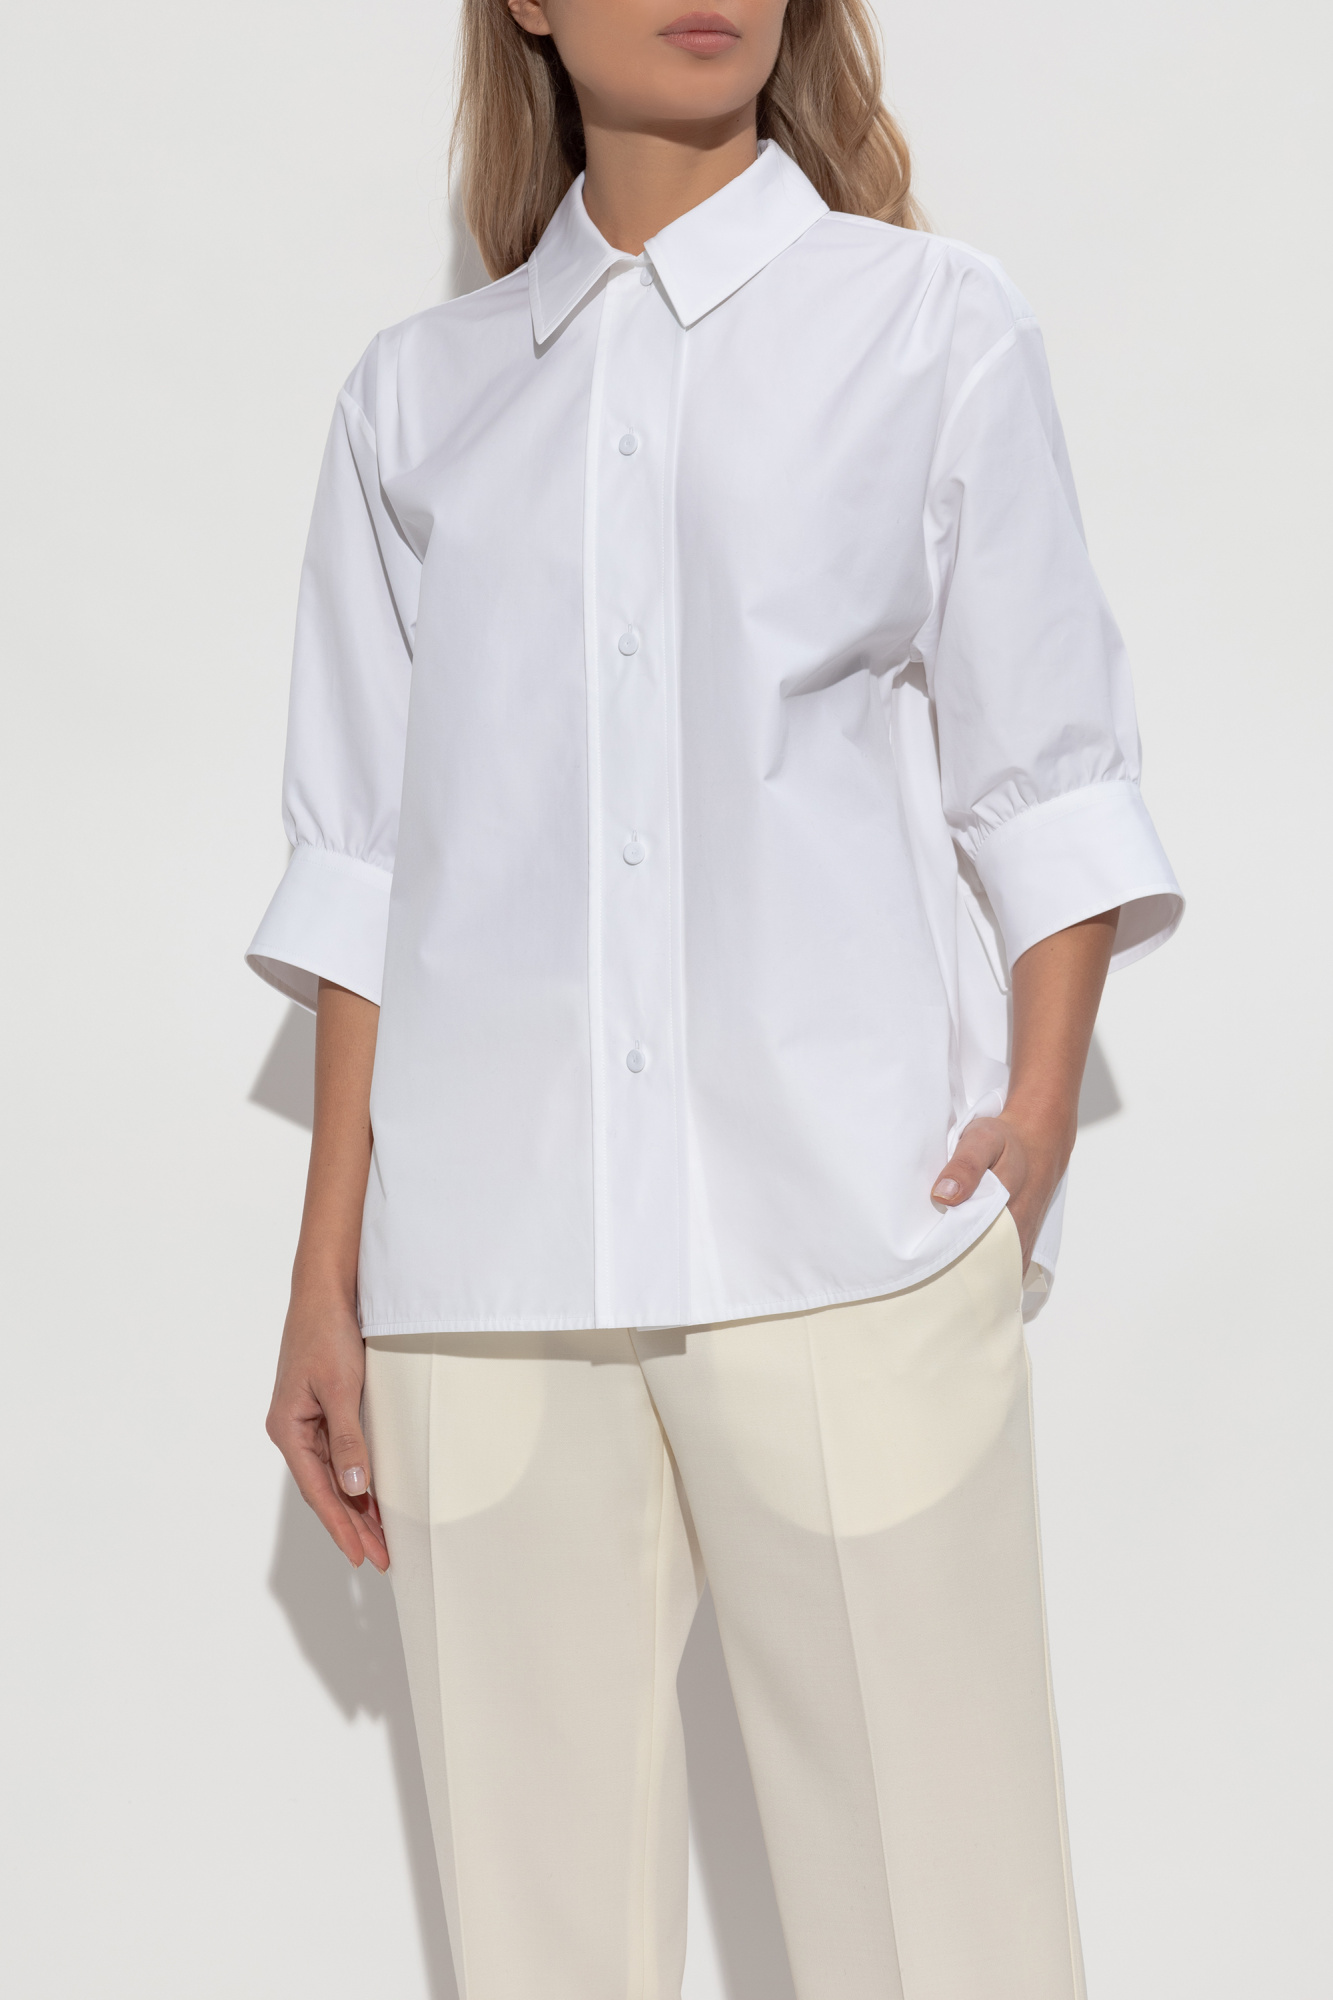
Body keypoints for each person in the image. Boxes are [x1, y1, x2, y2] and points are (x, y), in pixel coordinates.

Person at [247, 0, 1182, 1993]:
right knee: (538, 1952)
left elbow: (1047, 768)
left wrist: (1031, 1120)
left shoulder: (927, 328)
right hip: (483, 1285)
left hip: (845, 1241)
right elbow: (367, 866)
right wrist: (329, 1273)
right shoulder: (417, 399)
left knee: (946, 1932)